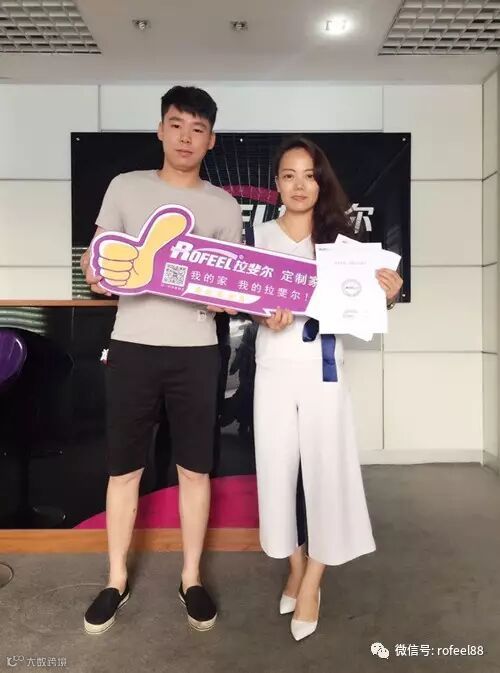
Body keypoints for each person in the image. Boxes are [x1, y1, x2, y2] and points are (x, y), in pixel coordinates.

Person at [80, 86, 242, 634]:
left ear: (211, 140)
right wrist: (96, 272)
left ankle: (191, 577)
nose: (185, 138)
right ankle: (115, 579)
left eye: (198, 129)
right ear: (160, 130)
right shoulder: (125, 188)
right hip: (132, 347)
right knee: (124, 468)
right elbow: (97, 261)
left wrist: (225, 297)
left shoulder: (223, 206)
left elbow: (230, 287)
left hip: (197, 352)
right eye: (176, 125)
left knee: (195, 469)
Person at [252, 136, 402, 641]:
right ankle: (294, 566)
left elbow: (364, 308)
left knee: (326, 473)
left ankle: (313, 582)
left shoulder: (344, 245)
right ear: (276, 184)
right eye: (289, 175)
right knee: (276, 473)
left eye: (309, 175)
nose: (299, 185)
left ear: (322, 183)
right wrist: (260, 314)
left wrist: (388, 295)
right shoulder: (258, 237)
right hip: (273, 369)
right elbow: (243, 300)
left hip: (323, 372)